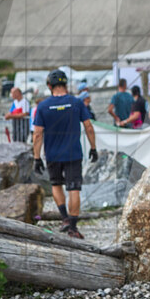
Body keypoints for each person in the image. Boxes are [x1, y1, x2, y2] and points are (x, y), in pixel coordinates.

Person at [32, 69, 98, 239]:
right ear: (66, 84)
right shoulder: (76, 103)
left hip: (52, 154)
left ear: (49, 86)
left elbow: (37, 134)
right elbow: (89, 127)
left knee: (56, 185)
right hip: (73, 153)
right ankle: (73, 228)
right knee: (74, 189)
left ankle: (65, 218)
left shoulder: (43, 106)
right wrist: (93, 148)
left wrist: (36, 158)